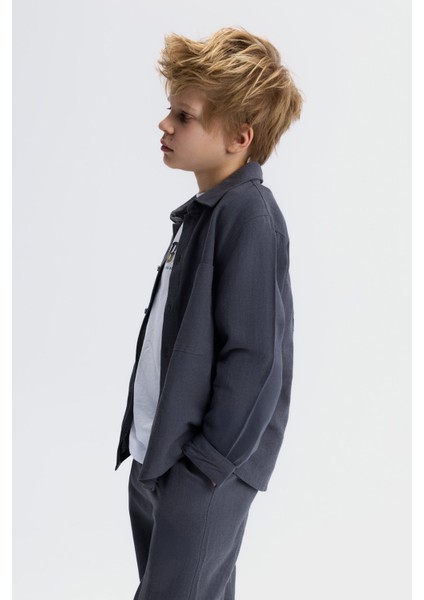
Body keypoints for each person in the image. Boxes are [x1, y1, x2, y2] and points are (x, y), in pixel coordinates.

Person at [115, 27, 303, 600]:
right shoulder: (203, 214)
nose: (165, 125)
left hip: (200, 470)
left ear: (239, 138)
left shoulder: (250, 216)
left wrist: (205, 468)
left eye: (184, 116)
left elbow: (255, 358)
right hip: (158, 456)